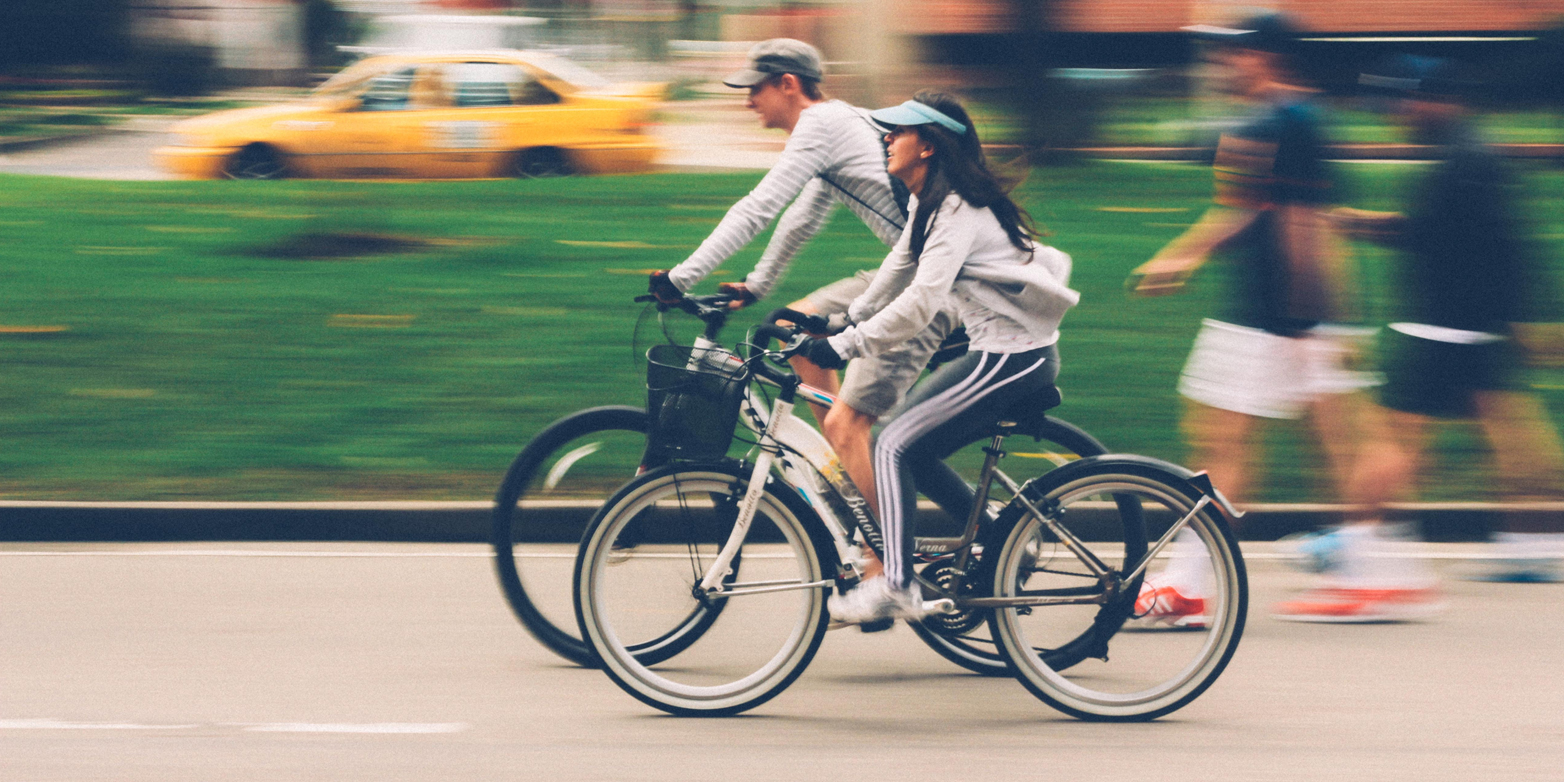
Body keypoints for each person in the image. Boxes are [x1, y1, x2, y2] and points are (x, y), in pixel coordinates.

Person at [1127, 13, 1433, 623]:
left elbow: (1301, 222)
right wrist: (1182, 258)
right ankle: (1379, 573)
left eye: (1233, 54)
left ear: (1266, 57)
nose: (1223, 64)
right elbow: (1249, 212)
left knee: (1276, 445)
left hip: (1281, 318)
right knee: (1266, 444)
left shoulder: (1284, 120)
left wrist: (1303, 323)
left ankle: (1365, 576)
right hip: (1285, 316)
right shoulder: (1291, 119)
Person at [796, 92, 1079, 624]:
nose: (885, 138)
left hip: (1012, 359)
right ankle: (993, 537)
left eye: (897, 132)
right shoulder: (932, 204)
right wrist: (842, 319)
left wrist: (843, 345)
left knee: (892, 446)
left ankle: (896, 584)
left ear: (928, 145)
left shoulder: (956, 208)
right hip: (1001, 354)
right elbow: (895, 273)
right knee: (913, 451)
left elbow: (921, 303)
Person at [647, 38, 958, 520]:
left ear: (787, 84)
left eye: (755, 88)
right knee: (797, 326)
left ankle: (884, 554)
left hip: (933, 284)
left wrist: (681, 277)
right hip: (911, 269)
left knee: (848, 420)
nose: (747, 100)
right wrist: (756, 285)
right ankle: (846, 471)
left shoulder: (820, 124)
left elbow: (759, 208)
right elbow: (802, 218)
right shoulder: (837, 123)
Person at [1332, 55, 1564, 586]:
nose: (1397, 113)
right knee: (1514, 433)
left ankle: (1357, 547)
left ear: (1435, 100)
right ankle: (1533, 544)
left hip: (1443, 326)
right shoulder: (1468, 152)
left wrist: (1358, 224)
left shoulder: (1463, 159)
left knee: (1392, 437)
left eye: (1403, 102)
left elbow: (1450, 238)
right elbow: (1488, 241)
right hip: (1474, 325)